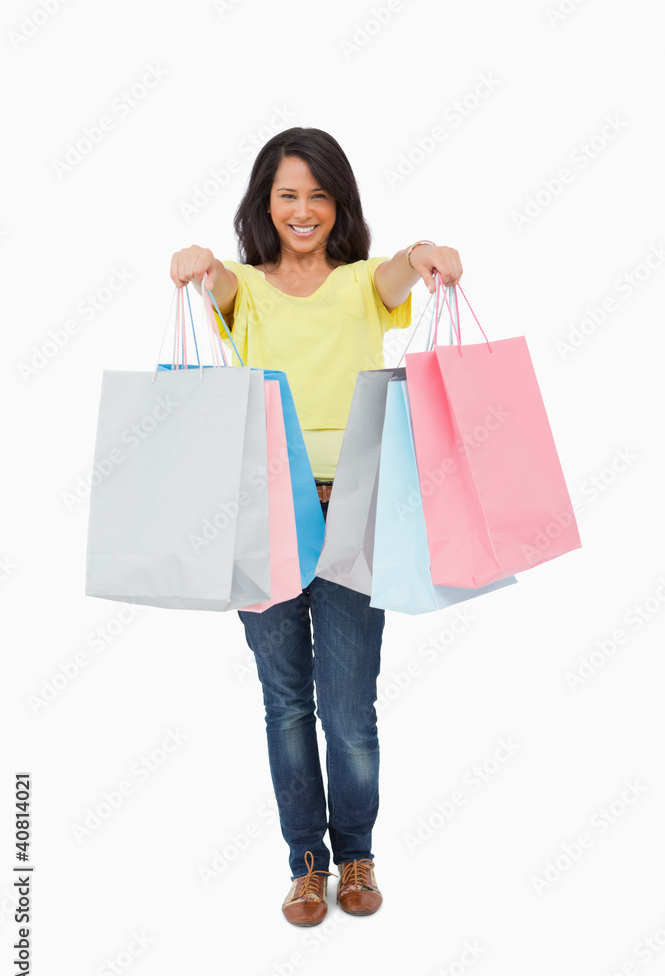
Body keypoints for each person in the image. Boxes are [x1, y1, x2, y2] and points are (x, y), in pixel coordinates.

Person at [170, 127, 462, 926]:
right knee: (285, 701)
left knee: (347, 704)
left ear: (339, 204)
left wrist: (429, 250)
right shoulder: (245, 287)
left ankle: (357, 857)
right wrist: (195, 258)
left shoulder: (366, 282)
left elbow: (403, 266)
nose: (303, 211)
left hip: (353, 509)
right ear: (265, 204)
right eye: (287, 195)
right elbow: (211, 279)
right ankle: (306, 866)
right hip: (261, 510)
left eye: (318, 195)